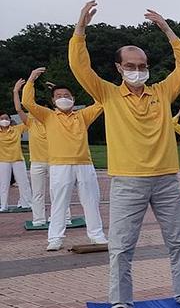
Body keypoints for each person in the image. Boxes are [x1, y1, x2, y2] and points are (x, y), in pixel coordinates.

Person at [69, 0, 180, 308]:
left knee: (178, 241)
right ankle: (120, 300)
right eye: (131, 65)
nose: (137, 71)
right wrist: (80, 29)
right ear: (119, 68)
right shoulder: (108, 94)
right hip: (127, 181)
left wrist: (167, 30)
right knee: (121, 245)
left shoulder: (163, 92)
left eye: (142, 66)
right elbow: (80, 67)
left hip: (166, 178)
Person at [19, 67, 107, 251]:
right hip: (60, 165)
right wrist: (32, 79)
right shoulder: (48, 116)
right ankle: (55, 238)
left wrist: (88, 84)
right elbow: (27, 102)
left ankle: (97, 235)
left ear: (73, 99)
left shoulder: (82, 116)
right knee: (59, 202)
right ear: (53, 101)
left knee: (91, 201)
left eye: (67, 95)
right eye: (58, 96)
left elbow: (100, 102)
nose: (63, 98)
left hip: (84, 164)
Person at [13, 79, 54, 227]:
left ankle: (62, 217)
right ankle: (38, 219)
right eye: (38, 109)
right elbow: (19, 109)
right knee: (37, 193)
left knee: (58, 192)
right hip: (37, 162)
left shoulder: (54, 121)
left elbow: (62, 108)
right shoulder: (30, 122)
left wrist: (55, 90)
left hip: (55, 161)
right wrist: (16, 91)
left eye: (44, 109)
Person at [0, 112, 31, 212]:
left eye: (6, 118)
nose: (4, 120)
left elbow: (28, 122)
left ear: (10, 120)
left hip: (18, 160)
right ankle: (3, 205)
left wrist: (29, 110)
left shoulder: (17, 129)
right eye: (1, 119)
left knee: (23, 182)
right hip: (3, 161)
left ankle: (26, 203)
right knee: (3, 184)